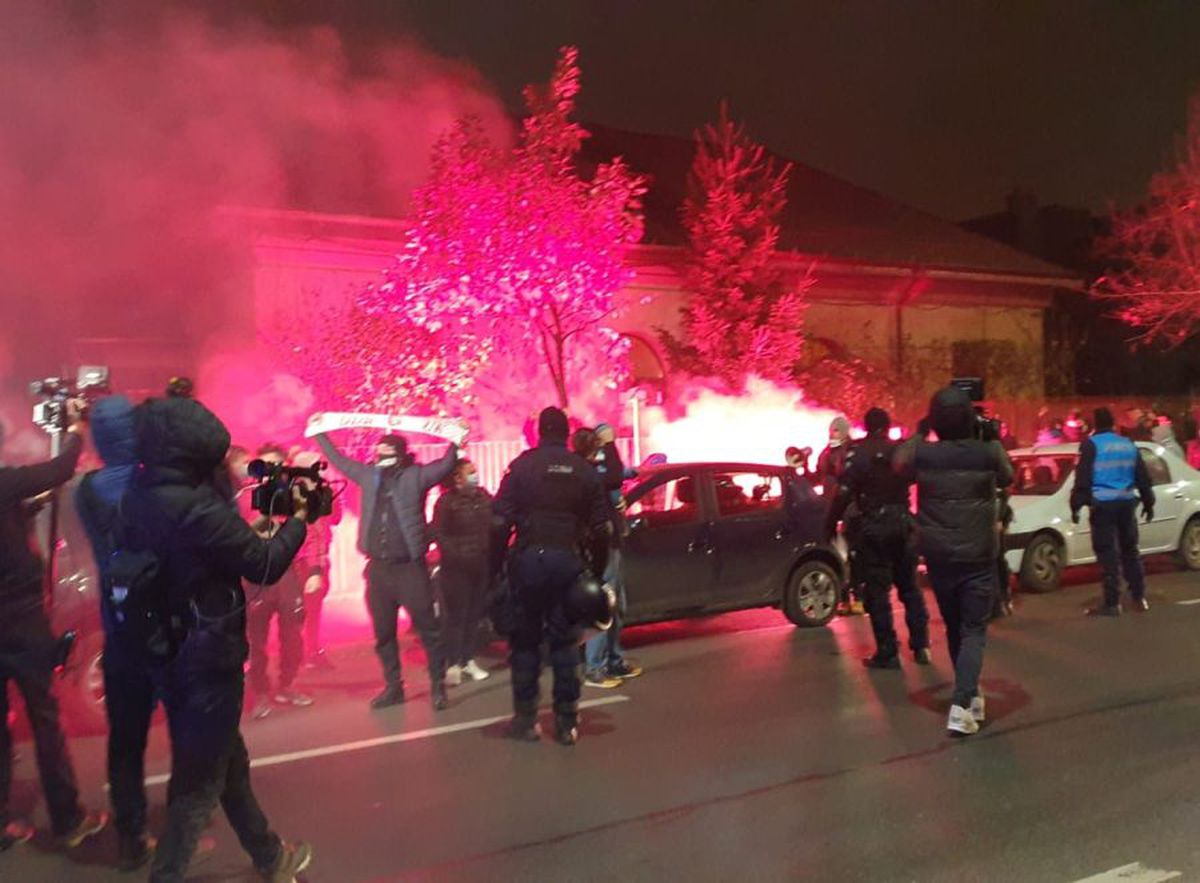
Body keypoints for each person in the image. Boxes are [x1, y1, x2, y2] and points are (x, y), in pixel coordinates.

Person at [125, 396, 312, 882]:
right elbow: (264, 564)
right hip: (207, 656)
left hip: (164, 647)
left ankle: (270, 856)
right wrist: (299, 520)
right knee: (196, 786)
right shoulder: (199, 507)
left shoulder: (139, 492)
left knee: (226, 760)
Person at [0, 402, 108, 851]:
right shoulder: (5, 481)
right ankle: (68, 818)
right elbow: (61, 468)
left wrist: (25, 512)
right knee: (45, 719)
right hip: (21, 620)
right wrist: (76, 427)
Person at [895, 387, 1014, 737]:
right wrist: (991, 437)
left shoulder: (925, 455)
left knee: (954, 626)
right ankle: (962, 705)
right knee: (974, 629)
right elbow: (1007, 476)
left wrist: (920, 431)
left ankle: (970, 695)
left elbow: (899, 462)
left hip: (940, 555)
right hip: (978, 555)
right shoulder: (986, 452)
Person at [74, 395, 160, 868]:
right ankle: (190, 826)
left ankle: (131, 837)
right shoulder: (154, 481)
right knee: (197, 726)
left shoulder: (86, 489)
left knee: (125, 740)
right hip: (165, 626)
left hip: (119, 625)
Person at [315, 428, 458, 711]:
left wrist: (456, 439)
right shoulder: (369, 475)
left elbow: (445, 465)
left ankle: (437, 685)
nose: (380, 454)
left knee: (428, 629)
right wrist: (320, 434)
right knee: (384, 633)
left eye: (387, 450)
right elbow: (340, 461)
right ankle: (394, 687)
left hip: (409, 568)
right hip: (378, 569)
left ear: (400, 453)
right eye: (378, 450)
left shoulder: (416, 476)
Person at [492, 407, 611, 746]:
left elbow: (499, 522)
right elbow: (602, 529)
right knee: (565, 643)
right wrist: (596, 574)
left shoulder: (522, 466)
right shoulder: (583, 470)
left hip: (529, 563)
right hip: (568, 565)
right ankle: (566, 722)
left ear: (540, 432)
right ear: (566, 432)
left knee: (525, 643)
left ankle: (526, 721)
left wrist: (496, 567)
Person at [826, 408, 930, 669]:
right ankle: (922, 646)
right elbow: (917, 478)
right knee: (910, 588)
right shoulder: (900, 451)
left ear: (866, 426)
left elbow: (844, 491)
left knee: (878, 592)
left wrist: (830, 523)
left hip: (875, 528)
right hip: (903, 524)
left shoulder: (858, 453)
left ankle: (887, 651)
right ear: (887, 426)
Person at [245, 444, 312, 720]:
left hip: (288, 575)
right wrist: (262, 519)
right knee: (256, 640)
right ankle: (260, 693)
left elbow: (312, 530)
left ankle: (287, 685)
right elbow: (234, 534)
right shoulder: (246, 494)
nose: (271, 470)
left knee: (292, 635)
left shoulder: (297, 492)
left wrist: (315, 570)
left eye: (276, 465)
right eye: (265, 465)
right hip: (256, 577)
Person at [1069, 407, 1155, 616]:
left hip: (1103, 505)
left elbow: (1083, 477)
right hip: (1126, 503)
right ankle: (1139, 597)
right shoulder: (1128, 444)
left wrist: (1076, 504)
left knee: (1107, 553)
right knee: (1130, 550)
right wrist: (1148, 502)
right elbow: (1142, 476)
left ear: (1095, 423)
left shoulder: (1091, 445)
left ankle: (1112, 602)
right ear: (1112, 423)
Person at [432, 459, 493, 686]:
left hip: (479, 564)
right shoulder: (447, 502)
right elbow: (439, 533)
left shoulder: (482, 497)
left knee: (473, 615)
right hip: (455, 568)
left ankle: (468, 660)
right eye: (471, 472)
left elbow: (493, 521)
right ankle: (453, 663)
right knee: (456, 616)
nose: (475, 475)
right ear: (457, 478)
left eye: (475, 471)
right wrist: (456, 554)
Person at [292, 450, 338, 671]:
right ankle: (303, 651)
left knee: (313, 607)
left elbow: (335, 518)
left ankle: (310, 650)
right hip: (302, 560)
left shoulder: (323, 490)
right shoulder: (293, 493)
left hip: (319, 557)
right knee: (303, 608)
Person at [817, 416, 865, 616]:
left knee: (854, 556)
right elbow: (818, 476)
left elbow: (850, 480)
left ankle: (859, 598)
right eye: (831, 430)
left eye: (836, 430)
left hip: (850, 512)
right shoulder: (827, 452)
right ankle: (844, 599)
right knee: (838, 556)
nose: (833, 434)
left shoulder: (852, 451)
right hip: (831, 510)